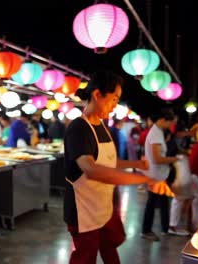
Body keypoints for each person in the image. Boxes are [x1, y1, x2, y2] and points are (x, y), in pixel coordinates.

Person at [64, 71, 154, 264]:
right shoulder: (78, 128)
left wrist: (134, 164)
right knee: (85, 257)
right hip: (83, 209)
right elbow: (91, 169)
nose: (115, 105)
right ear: (97, 95)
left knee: (109, 247)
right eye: (114, 99)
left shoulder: (102, 126)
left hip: (103, 205)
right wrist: (144, 179)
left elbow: (107, 162)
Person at [141, 108, 178, 241]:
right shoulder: (156, 134)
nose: (170, 126)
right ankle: (146, 230)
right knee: (152, 203)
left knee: (162, 202)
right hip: (155, 175)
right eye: (169, 123)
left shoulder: (159, 132)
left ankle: (165, 228)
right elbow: (157, 158)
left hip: (159, 174)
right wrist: (175, 159)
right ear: (162, 120)